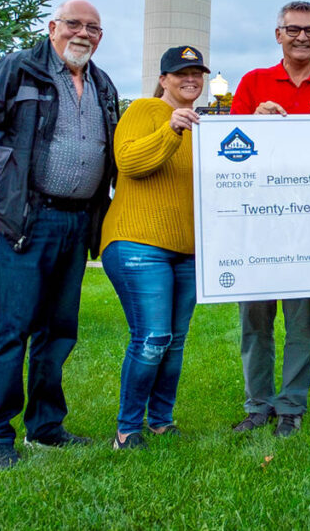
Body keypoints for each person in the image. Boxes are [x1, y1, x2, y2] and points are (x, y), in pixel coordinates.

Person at [0, 0, 119, 471]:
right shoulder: (18, 70)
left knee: (58, 332)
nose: (83, 34)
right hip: (26, 220)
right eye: (74, 25)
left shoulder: (103, 84)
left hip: (76, 222)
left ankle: (45, 428)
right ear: (52, 27)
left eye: (93, 28)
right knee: (11, 330)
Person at [230, 1, 310, 438]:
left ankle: (291, 407)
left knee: (302, 321)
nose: (303, 37)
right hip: (258, 223)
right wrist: (252, 121)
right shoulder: (253, 83)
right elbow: (229, 151)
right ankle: (257, 405)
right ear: (277, 34)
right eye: (294, 29)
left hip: (308, 226)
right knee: (255, 321)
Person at [101, 46, 209, 449]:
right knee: (152, 337)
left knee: (175, 340)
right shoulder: (144, 110)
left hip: (187, 248)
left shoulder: (202, 124)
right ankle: (127, 428)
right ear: (163, 79)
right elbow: (128, 162)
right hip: (137, 242)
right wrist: (170, 130)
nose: (191, 80)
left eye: (197, 73)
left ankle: (161, 420)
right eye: (181, 73)